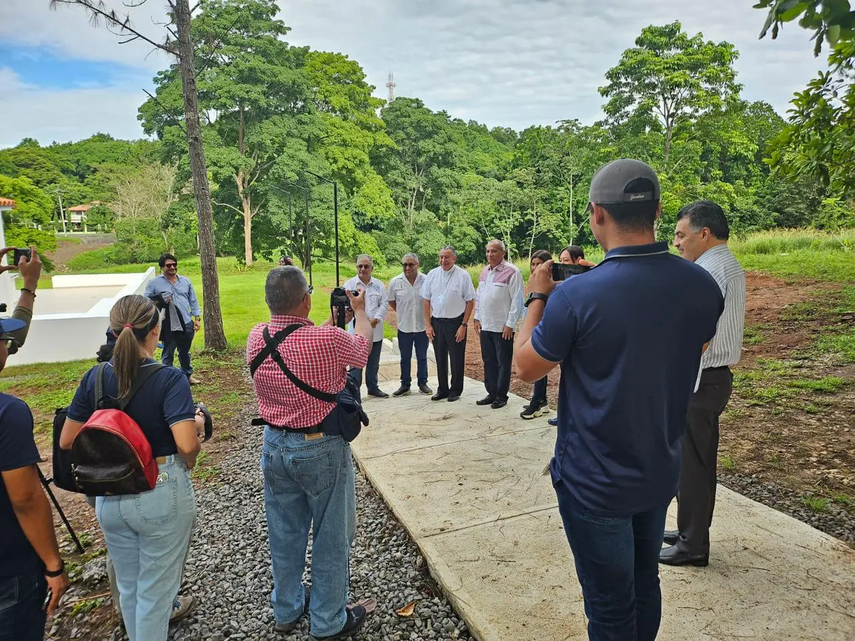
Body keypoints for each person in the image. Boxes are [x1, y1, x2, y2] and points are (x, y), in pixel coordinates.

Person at [515, 159, 723, 640]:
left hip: (595, 481)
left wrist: (536, 297)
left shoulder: (576, 297)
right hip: (658, 469)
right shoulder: (702, 286)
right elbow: (695, 345)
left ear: (596, 215)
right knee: (644, 583)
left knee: (609, 606)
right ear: (657, 212)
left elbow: (526, 367)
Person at [60, 295, 205, 641]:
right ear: (156, 331)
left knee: (130, 588)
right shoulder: (169, 379)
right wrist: (197, 427)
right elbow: (185, 445)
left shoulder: (94, 378)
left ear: (113, 332)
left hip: (109, 493)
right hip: (159, 488)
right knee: (156, 595)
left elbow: (67, 440)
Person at [247, 266, 371, 640]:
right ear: (306, 299)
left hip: (274, 444)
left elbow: (294, 339)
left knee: (284, 533)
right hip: (319, 446)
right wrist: (359, 313)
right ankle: (328, 620)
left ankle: (286, 608)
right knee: (331, 536)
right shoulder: (327, 340)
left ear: (270, 301)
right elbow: (361, 351)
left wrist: (329, 323)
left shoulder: (256, 336)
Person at [660, 200, 746, 567]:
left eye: (681, 235)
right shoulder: (722, 264)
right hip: (711, 379)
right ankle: (689, 531)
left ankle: (693, 545)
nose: (677, 242)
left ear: (704, 234)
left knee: (692, 465)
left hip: (700, 380)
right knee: (695, 462)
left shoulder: (708, 273)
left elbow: (700, 335)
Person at [1, 249, 71, 641]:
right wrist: (53, 564)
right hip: (8, 571)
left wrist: (27, 288)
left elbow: (15, 331)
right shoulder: (7, 415)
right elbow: (26, 500)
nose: (9, 344)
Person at [473, 240, 524, 410]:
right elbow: (479, 297)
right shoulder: (484, 272)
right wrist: (477, 317)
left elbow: (517, 300)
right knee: (488, 361)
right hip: (486, 325)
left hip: (502, 327)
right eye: (487, 251)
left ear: (503, 253)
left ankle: (501, 395)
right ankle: (491, 392)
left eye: (493, 251)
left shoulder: (512, 272)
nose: (489, 255)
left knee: (503, 362)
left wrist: (510, 324)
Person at [421, 246, 476, 402]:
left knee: (456, 357)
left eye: (447, 257)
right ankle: (442, 389)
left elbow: (470, 301)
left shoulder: (463, 276)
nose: (443, 260)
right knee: (440, 357)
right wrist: (428, 324)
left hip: (456, 322)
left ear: (454, 259)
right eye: (441, 257)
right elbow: (425, 300)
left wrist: (464, 325)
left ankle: (455, 390)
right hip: (437, 322)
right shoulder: (432, 274)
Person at [144, 253, 202, 384]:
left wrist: (197, 318)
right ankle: (168, 380)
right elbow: (146, 300)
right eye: (168, 265)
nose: (172, 267)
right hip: (167, 325)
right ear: (162, 268)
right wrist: (159, 301)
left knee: (185, 352)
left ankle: (187, 376)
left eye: (174, 265)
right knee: (168, 353)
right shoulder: (154, 283)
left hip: (186, 323)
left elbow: (193, 300)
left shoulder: (185, 281)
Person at [344, 254, 389, 399]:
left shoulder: (378, 285)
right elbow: (345, 306)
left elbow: (384, 303)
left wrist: (376, 320)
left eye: (366, 266)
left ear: (372, 268)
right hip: (356, 332)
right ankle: (354, 392)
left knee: (373, 363)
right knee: (356, 365)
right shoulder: (349, 285)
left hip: (375, 330)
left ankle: (373, 388)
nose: (363, 269)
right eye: (360, 266)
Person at [387, 253, 432, 396]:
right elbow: (392, 302)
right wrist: (402, 312)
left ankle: (422, 383)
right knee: (405, 358)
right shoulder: (395, 282)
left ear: (417, 265)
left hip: (421, 326)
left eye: (411, 264)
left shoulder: (426, 280)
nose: (407, 267)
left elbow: (430, 300)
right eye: (405, 264)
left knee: (422, 356)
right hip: (404, 326)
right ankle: (405, 384)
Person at [520, 250, 553, 420]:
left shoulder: (550, 286)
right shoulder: (533, 283)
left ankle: (536, 403)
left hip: (544, 330)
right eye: (533, 264)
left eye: (539, 264)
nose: (535, 268)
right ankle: (543, 401)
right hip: (534, 329)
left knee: (538, 366)